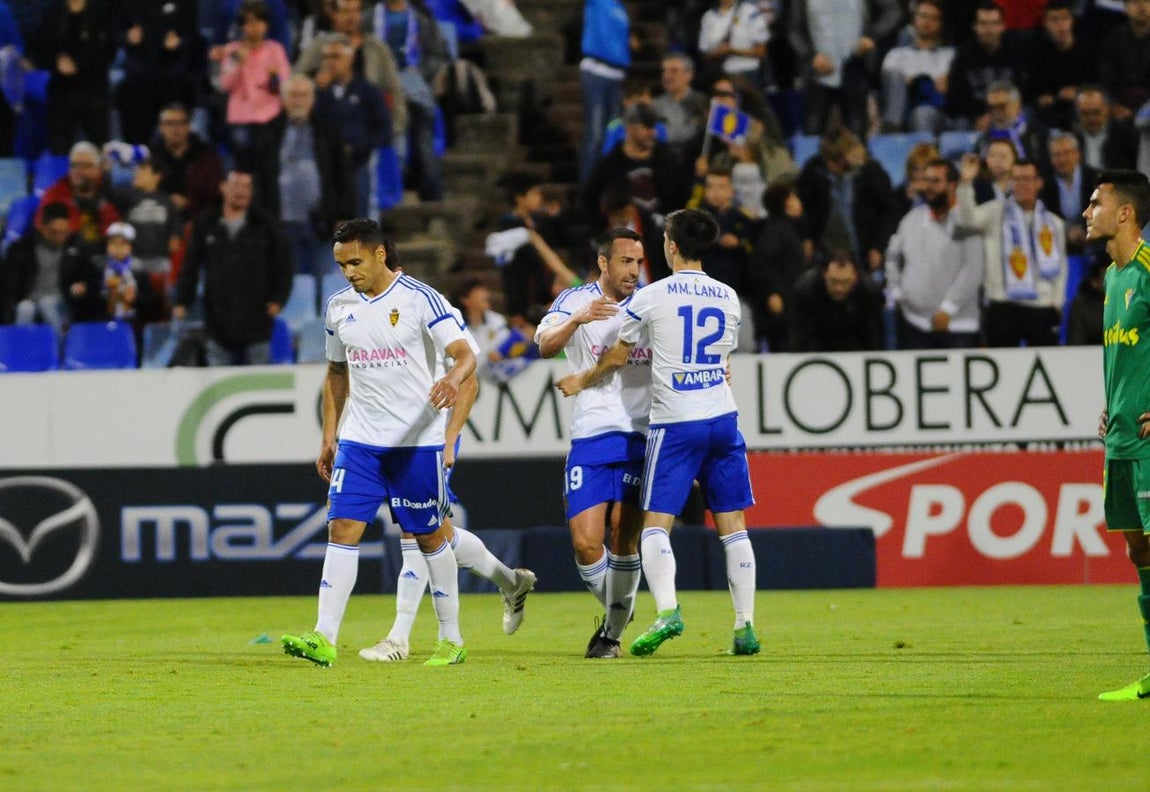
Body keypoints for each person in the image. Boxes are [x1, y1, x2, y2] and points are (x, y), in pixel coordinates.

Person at [556, 209, 760, 658]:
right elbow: (724, 360)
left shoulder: (651, 297)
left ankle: (666, 610)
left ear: (670, 245)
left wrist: (580, 378)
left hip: (675, 423)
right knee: (734, 529)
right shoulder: (728, 297)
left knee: (653, 529)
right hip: (724, 420)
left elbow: (615, 357)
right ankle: (745, 627)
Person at [281, 218, 477, 667]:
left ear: (379, 254)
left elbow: (466, 353)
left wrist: (451, 376)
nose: (348, 272)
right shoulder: (338, 308)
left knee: (429, 537)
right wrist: (329, 436)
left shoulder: (420, 299)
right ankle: (323, 637)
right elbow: (335, 373)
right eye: (341, 265)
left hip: (415, 443)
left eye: (355, 262)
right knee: (342, 528)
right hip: (361, 441)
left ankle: (451, 637)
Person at [359, 279, 536, 663]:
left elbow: (468, 381)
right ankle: (512, 581)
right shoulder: (385, 326)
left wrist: (452, 437)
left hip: (432, 443)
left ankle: (398, 638)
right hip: (400, 442)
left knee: (416, 530)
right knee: (439, 534)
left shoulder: (435, 315)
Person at [535, 228, 650, 658]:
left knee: (624, 534)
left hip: (640, 431)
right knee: (586, 542)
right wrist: (576, 320)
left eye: (638, 262)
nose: (633, 271)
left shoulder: (650, 303)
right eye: (625, 262)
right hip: (591, 433)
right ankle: (621, 611)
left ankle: (612, 633)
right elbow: (546, 347)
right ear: (603, 263)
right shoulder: (572, 300)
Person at [1087, 169, 1150, 701]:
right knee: (1138, 550)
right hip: (1122, 440)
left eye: (1096, 203)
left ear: (1124, 213)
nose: (1087, 213)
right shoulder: (1112, 279)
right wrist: (1113, 406)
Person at [172, 168, 293, 366]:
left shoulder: (266, 225)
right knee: (219, 385)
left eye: (247, 187)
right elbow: (190, 266)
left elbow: (284, 266)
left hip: (257, 322)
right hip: (217, 323)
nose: (242, 192)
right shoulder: (205, 224)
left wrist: (278, 299)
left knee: (259, 385)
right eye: (237, 185)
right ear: (223, 188)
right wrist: (182, 301)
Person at [957, 153, 1066, 348]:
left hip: (1041, 307)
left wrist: (1057, 303)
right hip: (1003, 306)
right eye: (1015, 179)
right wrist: (965, 183)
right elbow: (966, 220)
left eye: (1026, 179)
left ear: (1038, 183)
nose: (1021, 184)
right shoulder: (994, 212)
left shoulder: (1053, 223)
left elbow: (1061, 267)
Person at [253, 73, 354, 277]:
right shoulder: (268, 132)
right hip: (280, 223)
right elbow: (260, 178)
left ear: (312, 99)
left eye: (303, 95)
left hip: (321, 223)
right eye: (293, 95)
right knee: (286, 282)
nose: (298, 100)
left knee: (324, 281)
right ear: (283, 99)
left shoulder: (328, 131)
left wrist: (344, 215)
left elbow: (343, 175)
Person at [884, 158, 984, 350]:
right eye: (926, 181)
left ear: (952, 185)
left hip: (957, 326)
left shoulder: (966, 221)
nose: (929, 187)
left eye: (936, 181)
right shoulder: (912, 218)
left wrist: (948, 309)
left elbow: (973, 269)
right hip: (914, 323)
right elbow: (892, 255)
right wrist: (895, 289)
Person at [787, 0, 902, 139]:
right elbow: (793, 30)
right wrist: (810, 56)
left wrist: (872, 36)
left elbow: (893, 12)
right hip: (817, 71)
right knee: (812, 132)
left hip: (855, 65)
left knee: (856, 132)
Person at [311, 33, 391, 217]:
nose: (330, 62)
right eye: (326, 57)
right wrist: (318, 93)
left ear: (351, 58)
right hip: (325, 167)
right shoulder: (319, 93)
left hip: (358, 165)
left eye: (336, 56)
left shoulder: (368, 91)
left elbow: (384, 131)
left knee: (360, 220)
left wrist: (357, 147)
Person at [1, 201, 91, 332]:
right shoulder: (21, 250)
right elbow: (9, 284)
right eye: (54, 232)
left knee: (47, 303)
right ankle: (20, 348)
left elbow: (87, 278)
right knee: (25, 308)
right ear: (42, 228)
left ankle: (61, 348)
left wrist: (80, 288)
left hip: (61, 302)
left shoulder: (76, 250)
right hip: (29, 300)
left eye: (64, 232)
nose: (60, 237)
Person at [578, 0, 633, 185]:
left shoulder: (620, 7)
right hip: (596, 72)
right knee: (595, 135)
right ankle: (588, 188)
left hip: (617, 75)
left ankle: (607, 186)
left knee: (613, 135)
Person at [879, 0, 953, 135]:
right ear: (914, 20)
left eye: (933, 18)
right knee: (895, 76)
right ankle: (892, 127)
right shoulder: (896, 54)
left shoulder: (950, 55)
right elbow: (889, 86)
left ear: (940, 24)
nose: (927, 22)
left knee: (923, 112)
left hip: (939, 111)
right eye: (923, 16)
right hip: (904, 109)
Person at [789, 248, 883, 353]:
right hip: (816, 344)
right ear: (825, 275)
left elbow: (873, 339)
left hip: (854, 347)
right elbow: (798, 336)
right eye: (834, 281)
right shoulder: (805, 289)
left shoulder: (868, 292)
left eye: (845, 282)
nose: (839, 288)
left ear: (855, 278)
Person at [34, 141, 121, 248]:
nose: (79, 171)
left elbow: (118, 232)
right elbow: (42, 231)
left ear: (98, 169)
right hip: (68, 254)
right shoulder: (54, 195)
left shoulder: (111, 192)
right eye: (74, 165)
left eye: (86, 166)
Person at [149, 102, 225, 223]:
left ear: (189, 126)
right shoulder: (151, 157)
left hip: (199, 218)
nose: (175, 129)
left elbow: (214, 193)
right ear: (160, 127)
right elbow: (144, 190)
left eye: (181, 123)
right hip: (159, 218)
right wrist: (166, 201)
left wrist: (189, 203)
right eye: (169, 124)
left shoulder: (207, 155)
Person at [1040, 132, 1097, 255]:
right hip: (1059, 239)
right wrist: (1066, 232)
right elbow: (1046, 216)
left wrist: (1085, 230)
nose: (1062, 159)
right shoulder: (1045, 184)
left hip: (1093, 236)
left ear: (1077, 154)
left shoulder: (1094, 178)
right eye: (1057, 155)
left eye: (1066, 153)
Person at [697, 0, 769, 86]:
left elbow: (761, 51)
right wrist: (718, 52)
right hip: (719, 75)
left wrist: (732, 50)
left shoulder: (751, 12)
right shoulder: (708, 16)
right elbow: (703, 53)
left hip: (747, 72)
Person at [1074, 86, 1141, 172]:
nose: (1091, 118)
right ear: (1077, 113)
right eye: (1085, 113)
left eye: (1096, 112)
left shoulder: (1126, 133)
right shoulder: (1072, 137)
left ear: (1106, 109)